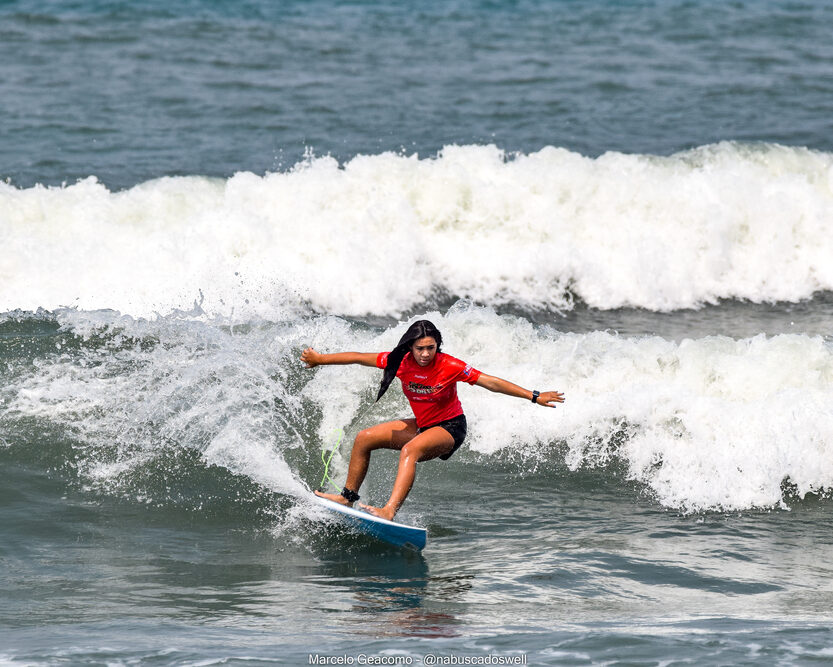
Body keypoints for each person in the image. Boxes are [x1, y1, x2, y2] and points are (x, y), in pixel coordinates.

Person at [301, 319, 565, 520]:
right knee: (364, 438)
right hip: (424, 425)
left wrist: (534, 395)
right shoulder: (400, 361)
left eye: (431, 348)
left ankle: (389, 511)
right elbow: (359, 358)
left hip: (451, 427)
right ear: (411, 347)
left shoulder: (450, 365)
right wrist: (319, 359)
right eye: (420, 349)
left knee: (410, 450)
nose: (425, 354)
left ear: (438, 346)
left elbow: (490, 382)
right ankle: (348, 498)